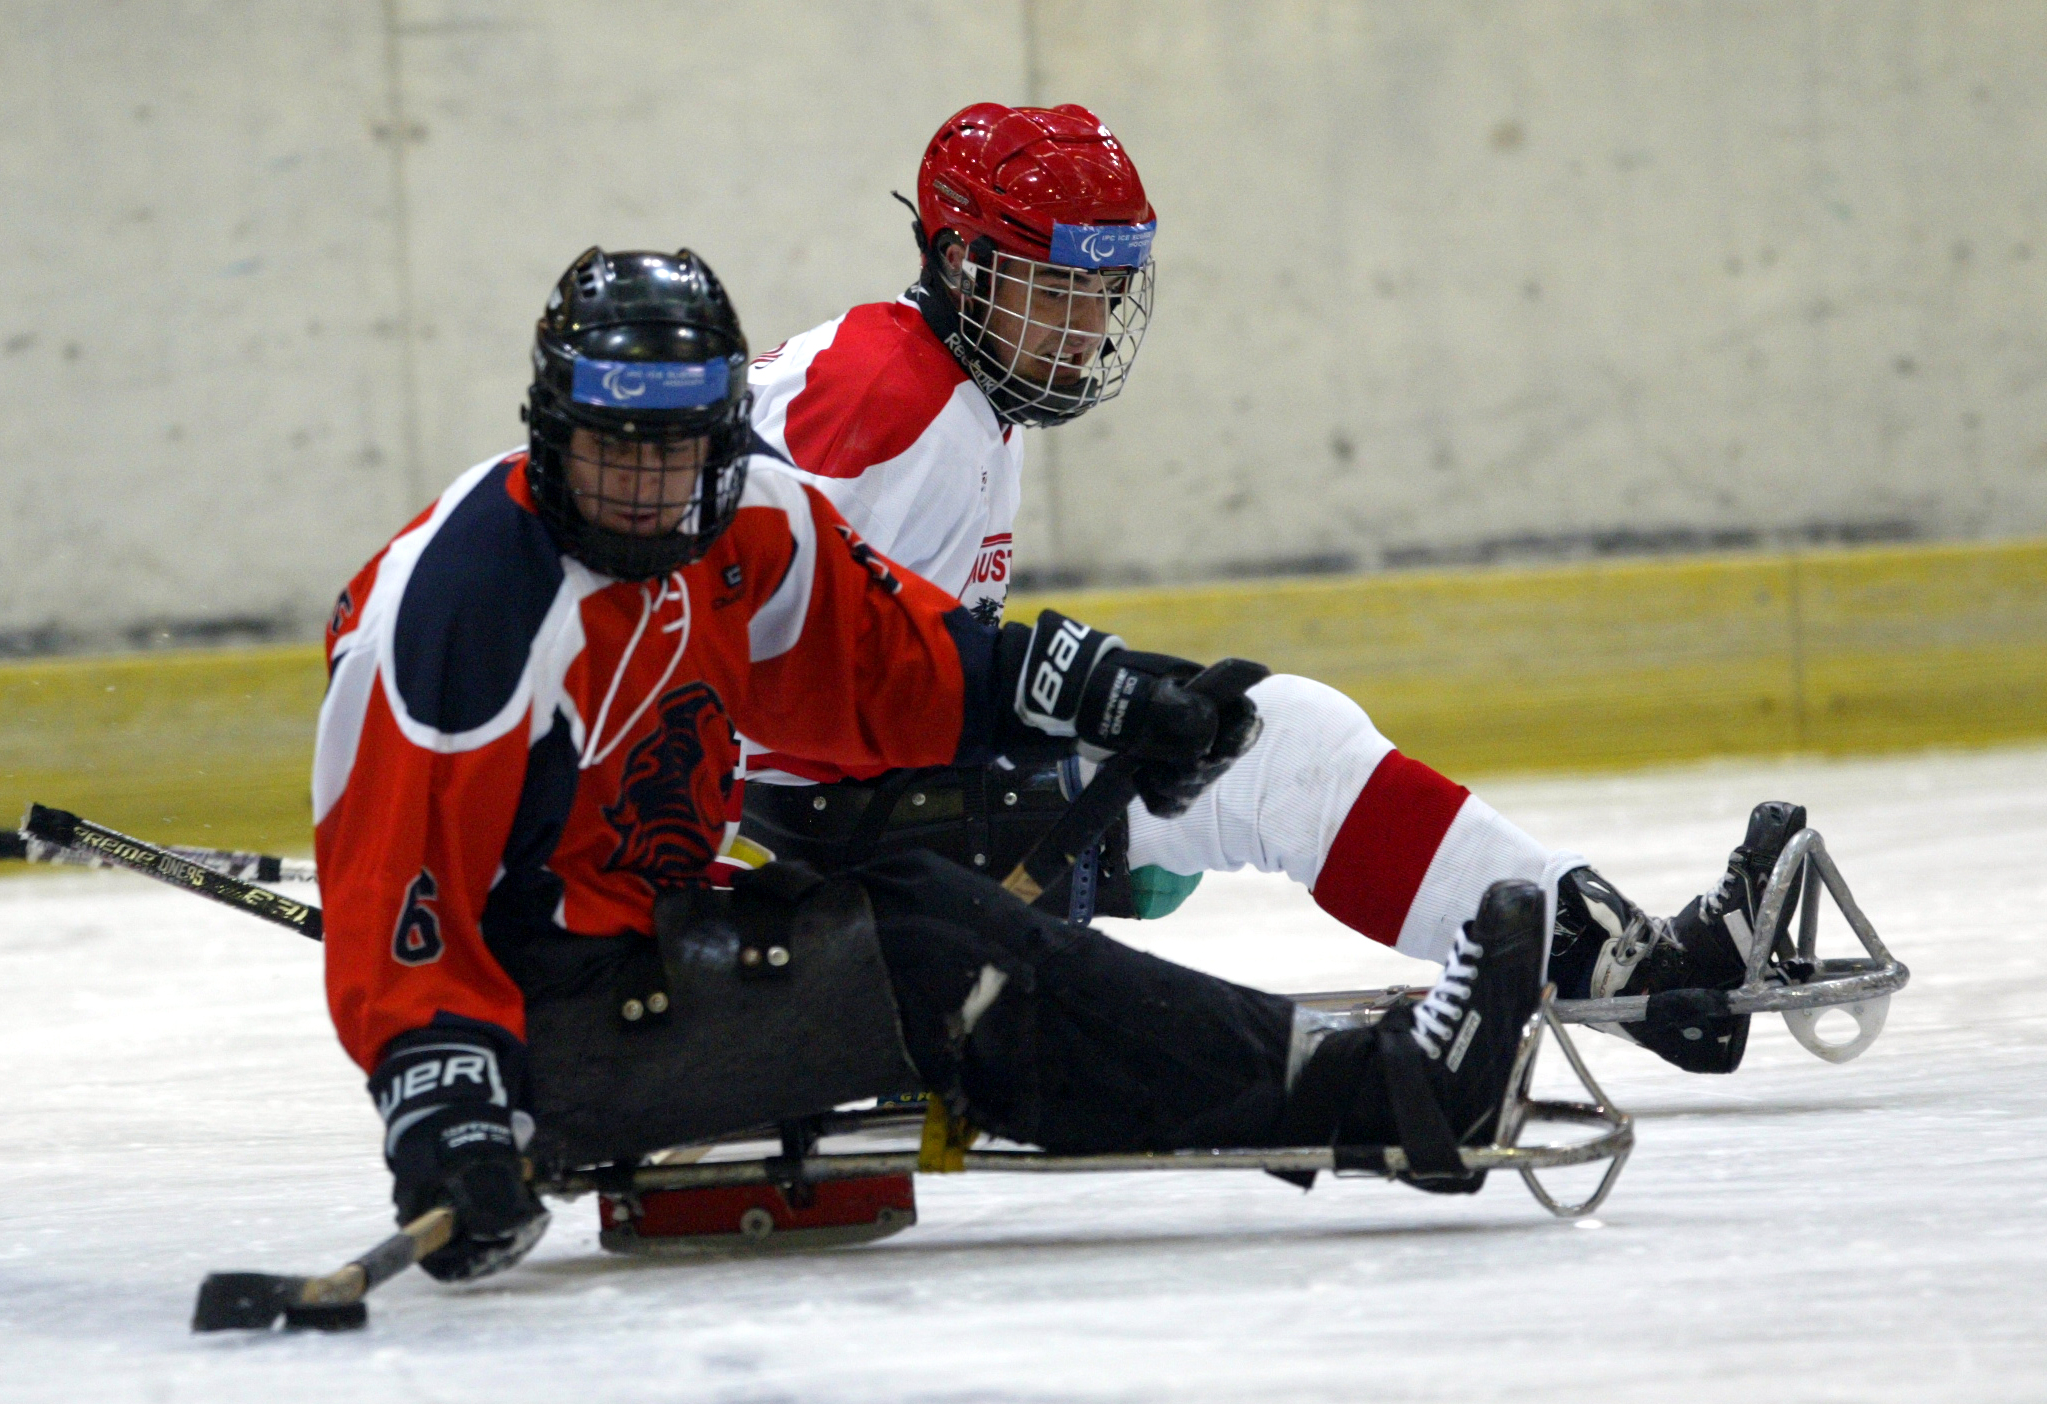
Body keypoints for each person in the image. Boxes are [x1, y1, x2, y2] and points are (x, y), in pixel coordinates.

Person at [313, 247, 1549, 1282]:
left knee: (914, 907)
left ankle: (1358, 1083)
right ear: (552, 429)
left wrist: (1119, 696)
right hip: (543, 1031)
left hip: (651, 932)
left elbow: (895, 671)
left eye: (675, 450)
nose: (645, 489)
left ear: (721, 436)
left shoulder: (748, 520)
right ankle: (1391, 1100)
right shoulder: (460, 610)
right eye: (612, 449)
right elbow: (399, 901)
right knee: (930, 960)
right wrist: (451, 1120)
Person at [741, 101, 1800, 1078]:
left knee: (1254, 741)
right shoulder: (893, 404)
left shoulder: (941, 385)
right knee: (1279, 752)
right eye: (1056, 291)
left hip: (841, 802)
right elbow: (757, 658)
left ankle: (1621, 961)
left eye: (1104, 294)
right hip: (817, 837)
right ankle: (1639, 978)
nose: (1086, 330)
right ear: (959, 263)